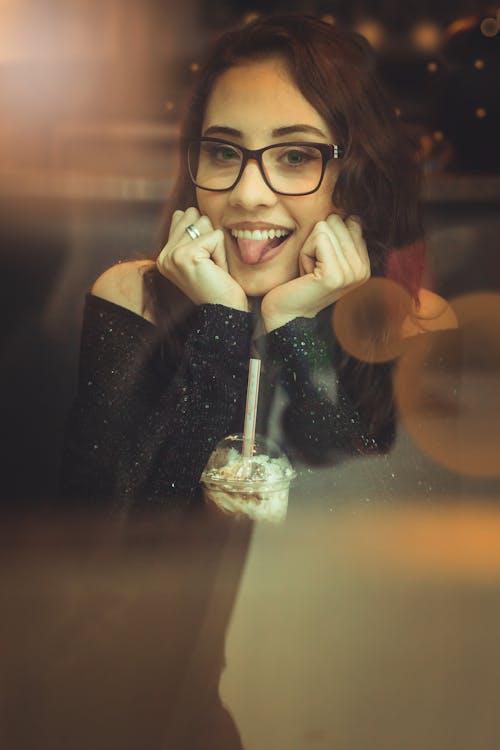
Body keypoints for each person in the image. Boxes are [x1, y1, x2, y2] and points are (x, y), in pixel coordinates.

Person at [61, 13, 442, 511]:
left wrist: (294, 327)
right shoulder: (133, 298)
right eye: (223, 151)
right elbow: (102, 537)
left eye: (296, 156)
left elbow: (367, 524)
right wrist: (220, 323)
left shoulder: (410, 320)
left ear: (357, 176)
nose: (247, 194)